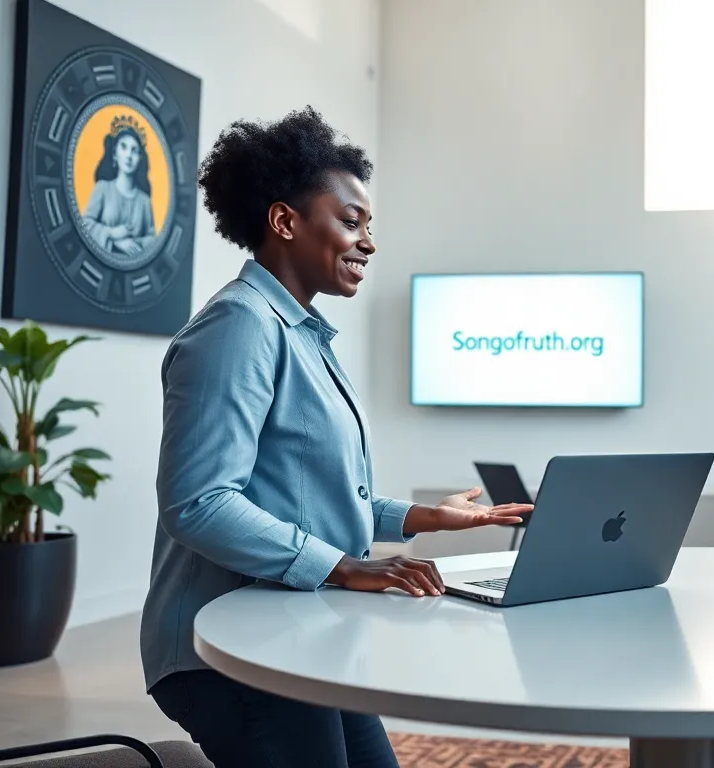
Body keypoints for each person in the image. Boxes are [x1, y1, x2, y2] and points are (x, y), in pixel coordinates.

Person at [138, 106, 532, 768]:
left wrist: (418, 516)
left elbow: (301, 493)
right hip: (227, 650)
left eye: (370, 226)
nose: (369, 242)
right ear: (285, 221)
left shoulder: (301, 334)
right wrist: (346, 566)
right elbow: (199, 503)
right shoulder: (239, 329)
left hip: (300, 627)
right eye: (351, 221)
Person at [81, 115, 156, 259]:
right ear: (115, 154)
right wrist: (112, 235)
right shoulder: (102, 188)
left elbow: (152, 239)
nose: (129, 155)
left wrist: (129, 242)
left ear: (140, 159)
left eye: (135, 151)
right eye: (124, 147)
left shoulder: (144, 201)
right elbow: (85, 225)